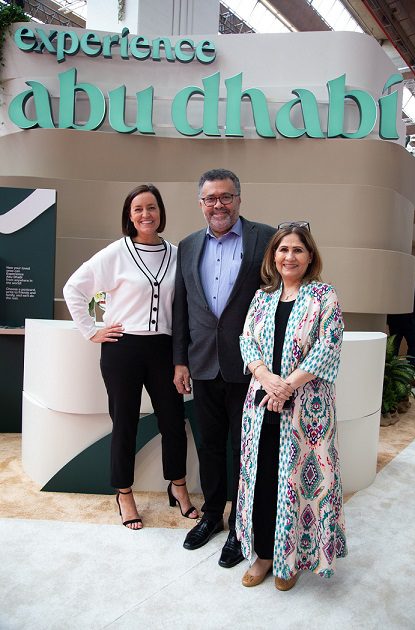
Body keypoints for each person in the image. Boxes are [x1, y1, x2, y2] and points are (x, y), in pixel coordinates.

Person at [63, 184, 198, 529]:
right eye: (138, 209)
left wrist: (182, 356)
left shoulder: (176, 253)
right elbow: (75, 288)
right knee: (124, 423)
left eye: (151, 207)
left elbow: (182, 307)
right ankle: (124, 493)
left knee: (173, 422)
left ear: (160, 212)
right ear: (129, 215)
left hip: (164, 349)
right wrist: (92, 329)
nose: (145, 214)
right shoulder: (116, 253)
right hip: (123, 349)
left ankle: (178, 486)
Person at [173, 168, 276, 568]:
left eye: (226, 197)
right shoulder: (187, 245)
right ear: (201, 203)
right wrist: (180, 360)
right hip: (201, 364)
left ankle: (240, 525)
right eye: (210, 198)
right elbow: (182, 307)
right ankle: (213, 515)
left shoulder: (265, 238)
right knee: (210, 445)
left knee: (244, 449)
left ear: (238, 199)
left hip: (251, 367)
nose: (219, 205)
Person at [236, 222, 347, 591]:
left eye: (298, 249)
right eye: (283, 249)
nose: (289, 256)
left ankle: (292, 558)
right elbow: (247, 340)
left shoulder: (324, 296)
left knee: (298, 483)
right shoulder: (262, 297)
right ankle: (264, 556)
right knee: (265, 478)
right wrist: (266, 378)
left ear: (310, 256)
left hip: (307, 412)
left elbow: (328, 346)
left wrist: (286, 387)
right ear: (273, 256)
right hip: (261, 406)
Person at [387, 286, 415, 386]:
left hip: (397, 320)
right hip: (409, 321)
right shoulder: (408, 282)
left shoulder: (394, 285)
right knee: (411, 346)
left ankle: (393, 377)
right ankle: (407, 376)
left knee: (394, 348)